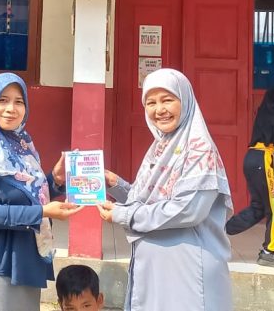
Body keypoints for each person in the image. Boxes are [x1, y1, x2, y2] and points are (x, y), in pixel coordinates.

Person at [97, 68, 233, 311]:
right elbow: (153, 199)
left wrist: (124, 215)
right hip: (158, 269)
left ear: (185, 101)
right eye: (151, 102)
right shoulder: (161, 146)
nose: (159, 109)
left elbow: (188, 210)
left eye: (167, 100)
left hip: (187, 269)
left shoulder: (199, 149)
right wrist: (117, 185)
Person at [0, 72, 82, 311]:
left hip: (26, 260)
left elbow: (27, 194)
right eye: (2, 100)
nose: (10, 109)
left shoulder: (22, 147)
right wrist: (43, 212)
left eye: (18, 101)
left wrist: (54, 180)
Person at [226, 80, 274, 268]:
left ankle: (219, 230)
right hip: (265, 162)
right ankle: (269, 253)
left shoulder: (266, 113)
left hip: (252, 159)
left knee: (259, 207)